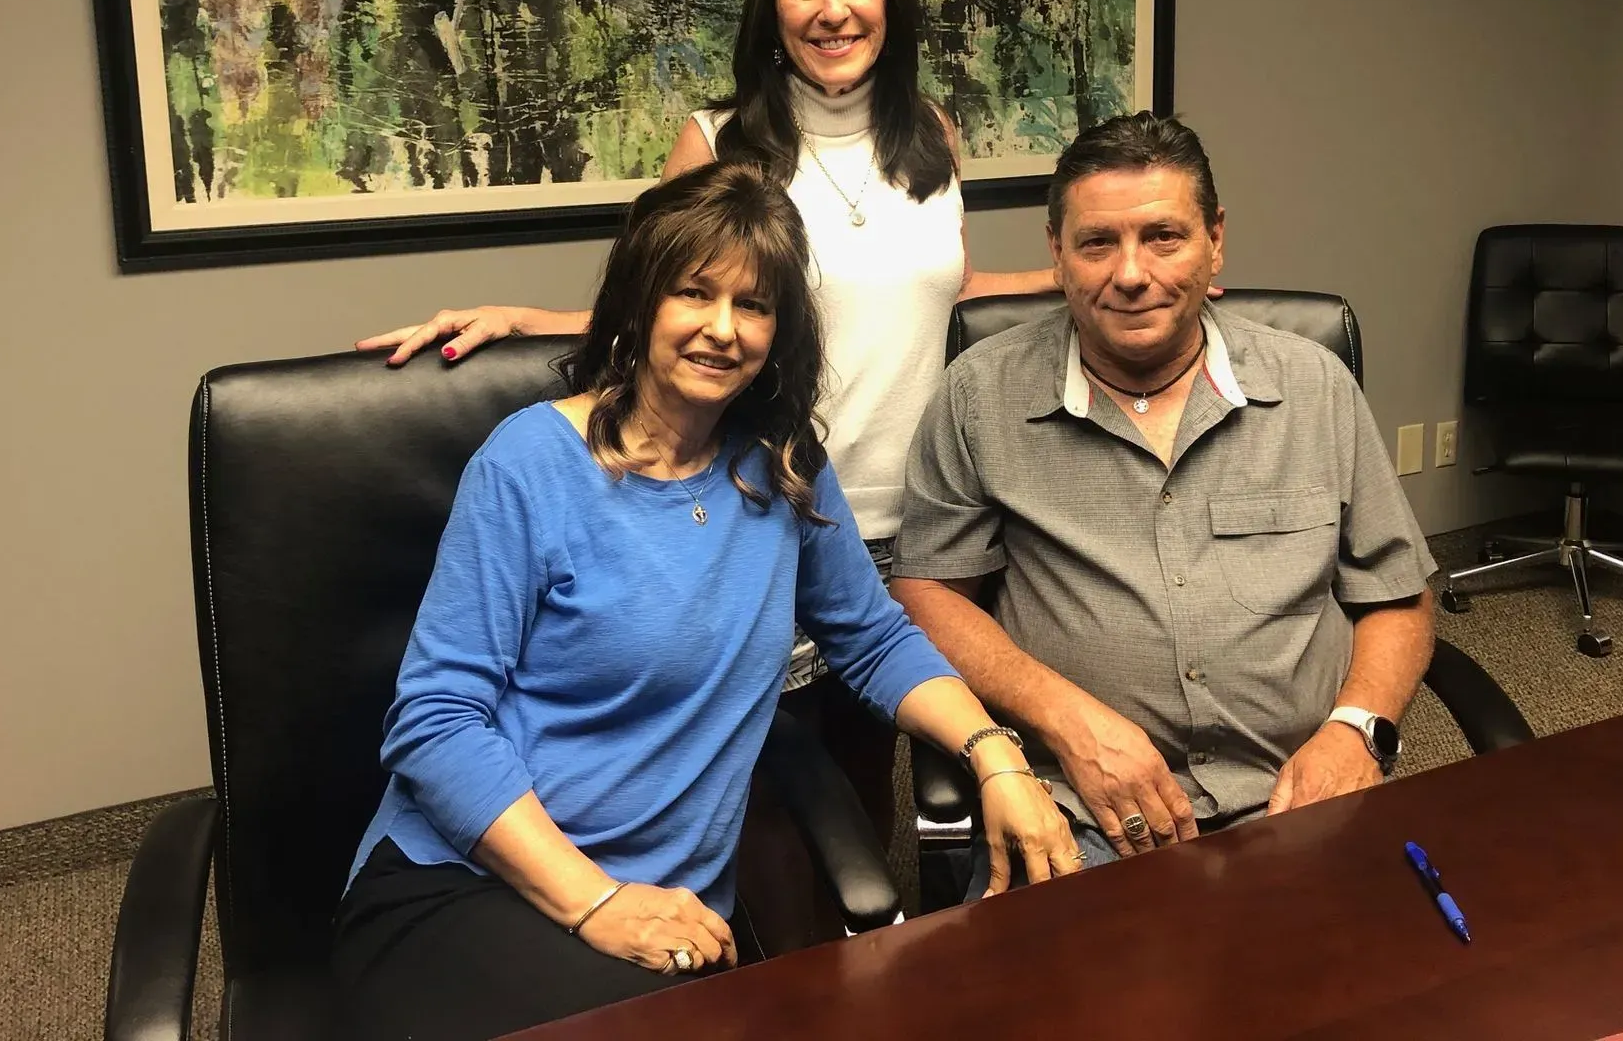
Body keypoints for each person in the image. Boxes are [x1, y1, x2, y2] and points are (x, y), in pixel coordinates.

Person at [356, 0, 1057, 842]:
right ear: (771, 6)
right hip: (775, 508)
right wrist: (524, 318)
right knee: (750, 785)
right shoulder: (720, 141)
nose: (833, 7)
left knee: (866, 790)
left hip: (923, 522)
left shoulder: (930, 137)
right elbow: (664, 305)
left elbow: (946, 287)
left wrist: (1092, 278)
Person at [333, 162, 1078, 1041]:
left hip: (664, 919)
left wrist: (995, 756)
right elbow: (436, 720)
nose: (722, 330)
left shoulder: (783, 466)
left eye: (754, 305)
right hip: (469, 887)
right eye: (694, 293)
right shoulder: (531, 464)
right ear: (642, 301)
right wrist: (596, 901)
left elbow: (874, 640)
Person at [891, 113, 1436, 891]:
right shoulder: (982, 395)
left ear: (1215, 240)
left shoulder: (1315, 388)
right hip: (1087, 812)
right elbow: (930, 592)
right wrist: (1064, 719)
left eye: (1164, 237)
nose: (1132, 273)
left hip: (1298, 795)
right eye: (1097, 243)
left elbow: (1399, 593)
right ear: (1056, 252)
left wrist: (1355, 730)